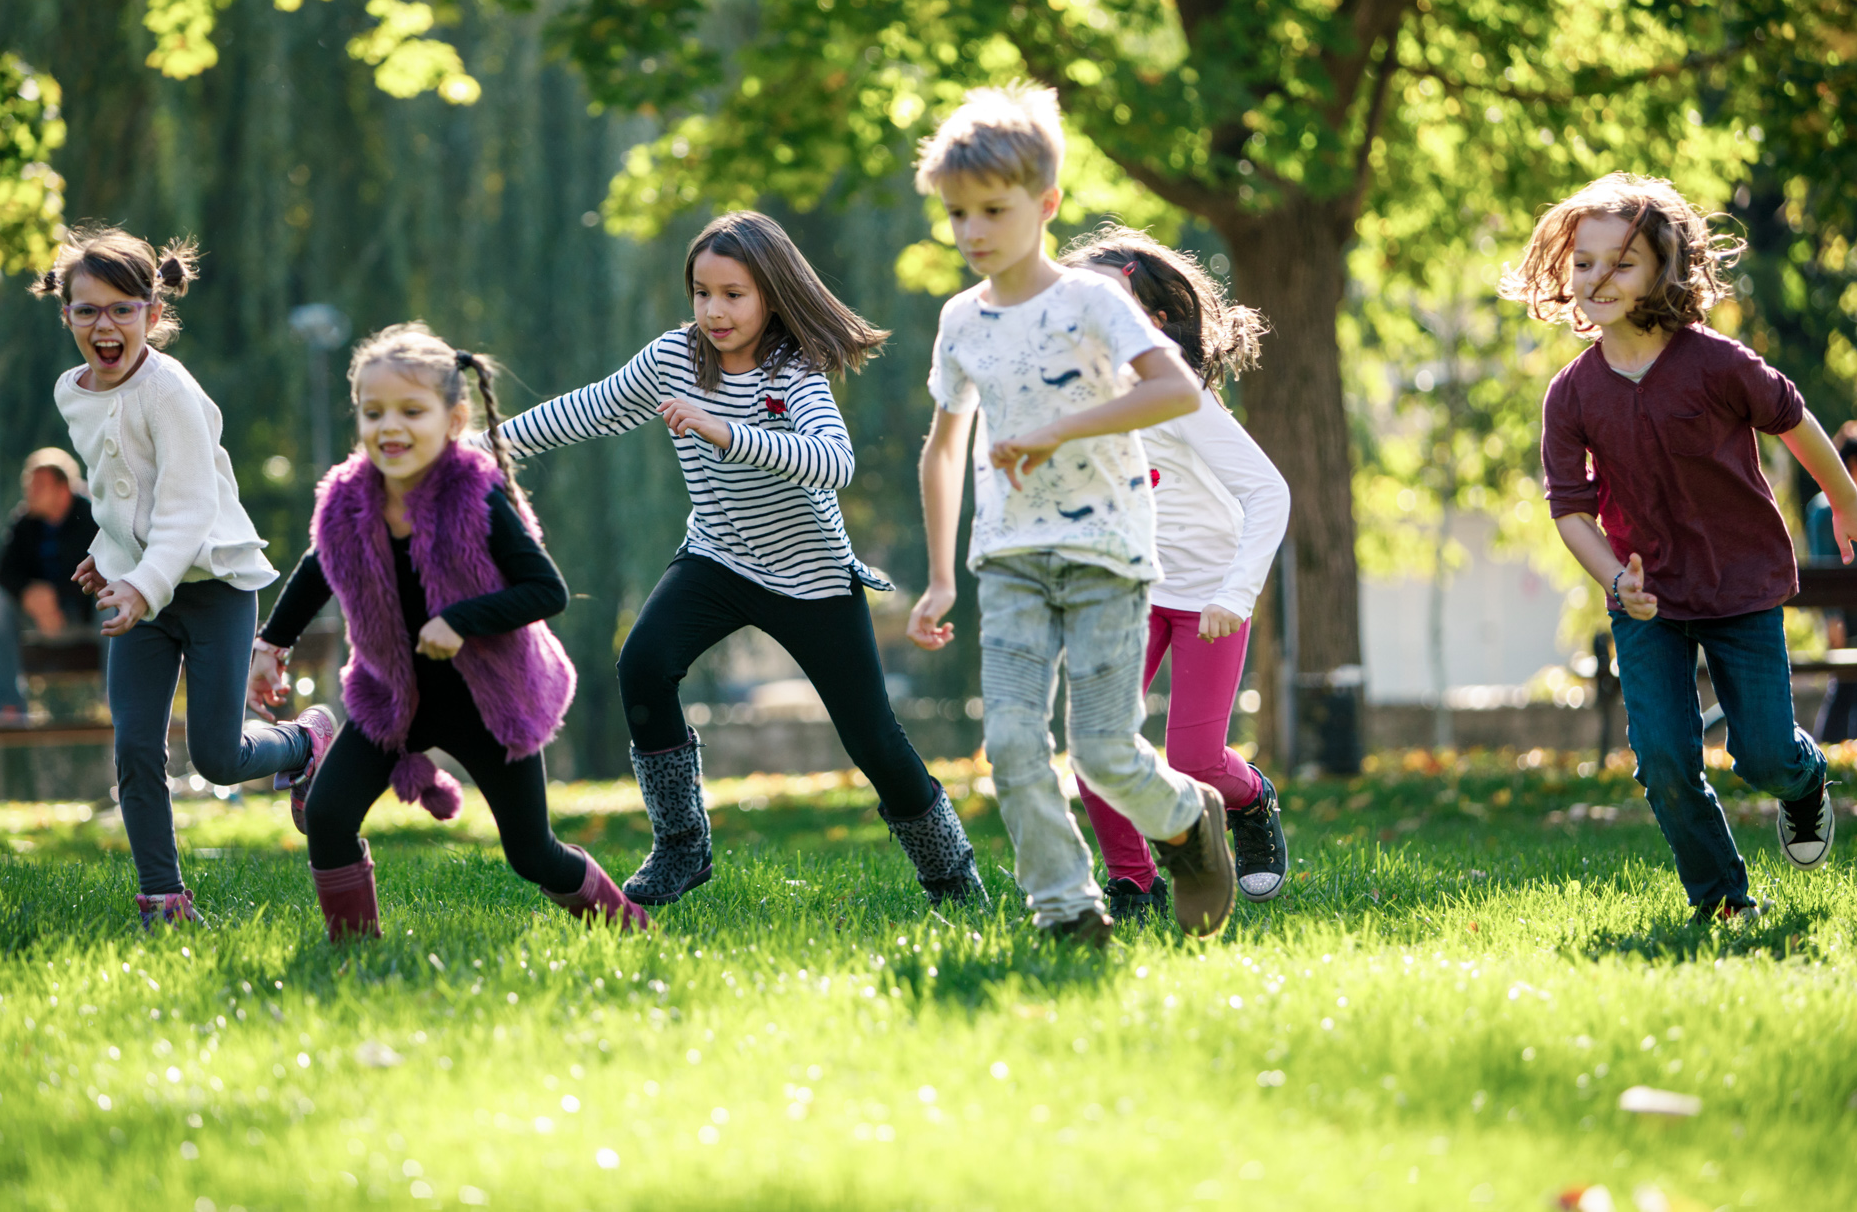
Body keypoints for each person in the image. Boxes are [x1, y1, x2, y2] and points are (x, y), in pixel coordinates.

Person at [491, 211, 986, 910]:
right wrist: (480, 450)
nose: (714, 310)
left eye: (734, 294)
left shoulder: (795, 373)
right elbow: (588, 409)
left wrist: (728, 432)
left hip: (812, 579)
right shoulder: (673, 359)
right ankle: (682, 846)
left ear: (772, 295)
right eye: (702, 292)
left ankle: (952, 877)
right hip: (718, 559)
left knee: (874, 740)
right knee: (642, 663)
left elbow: (832, 464)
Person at [904, 83, 1237, 945]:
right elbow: (942, 449)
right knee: (1012, 745)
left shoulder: (1092, 302)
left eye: (992, 210)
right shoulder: (959, 321)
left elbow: (1168, 388)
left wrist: (1060, 429)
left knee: (1102, 751)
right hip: (1007, 556)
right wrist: (941, 577)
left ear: (1046, 204)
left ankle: (1190, 821)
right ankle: (1067, 907)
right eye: (956, 214)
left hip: (1106, 552)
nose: (973, 231)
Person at [1505, 172, 1857, 922]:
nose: (1598, 279)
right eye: (1584, 263)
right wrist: (1616, 582)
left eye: (1622, 262)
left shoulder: (1717, 363)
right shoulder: (1571, 394)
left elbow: (1793, 417)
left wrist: (1850, 501)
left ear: (1664, 270)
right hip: (1647, 599)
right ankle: (1723, 900)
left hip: (1739, 586)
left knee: (1765, 754)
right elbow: (1570, 508)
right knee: (1667, 762)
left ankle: (1805, 784)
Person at [251, 324, 644, 940]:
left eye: (412, 411)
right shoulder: (347, 500)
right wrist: (271, 644)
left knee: (530, 853)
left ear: (454, 419)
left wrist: (460, 621)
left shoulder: (476, 498)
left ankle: (630, 928)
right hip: (393, 700)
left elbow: (547, 591)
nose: (390, 427)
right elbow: (317, 567)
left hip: (489, 703)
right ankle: (354, 950)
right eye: (372, 412)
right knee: (326, 815)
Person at [37, 226, 332, 928]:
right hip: (139, 590)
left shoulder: (169, 391)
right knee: (135, 745)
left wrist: (141, 581)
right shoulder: (70, 391)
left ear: (152, 314)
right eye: (87, 310)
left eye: (121, 308)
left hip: (211, 587)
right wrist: (106, 549)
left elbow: (188, 502)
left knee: (218, 755)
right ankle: (162, 899)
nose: (104, 325)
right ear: (67, 315)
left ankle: (307, 741)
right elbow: (120, 490)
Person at [1058, 225, 1292, 919]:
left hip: (1209, 594)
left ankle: (1250, 800)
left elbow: (1268, 492)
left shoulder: (1182, 395)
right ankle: (1133, 882)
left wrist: (1236, 590)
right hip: (1129, 590)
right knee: (1096, 743)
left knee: (1192, 756)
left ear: (1155, 324)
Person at [0, 448, 99, 718]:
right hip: (38, 622)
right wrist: (29, 595)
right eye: (28, 485)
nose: (30, 491)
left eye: (39, 485)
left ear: (63, 489)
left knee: (114, 600)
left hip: (85, 619)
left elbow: (108, 568)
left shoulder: (93, 517)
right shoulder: (24, 523)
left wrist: (55, 596)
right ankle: (7, 706)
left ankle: (116, 701)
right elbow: (3, 573)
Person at [1804, 421, 1857, 742]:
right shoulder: (1826, 511)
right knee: (1846, 689)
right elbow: (1823, 566)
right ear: (1854, 464)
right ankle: (1831, 750)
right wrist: (1832, 617)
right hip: (1851, 619)